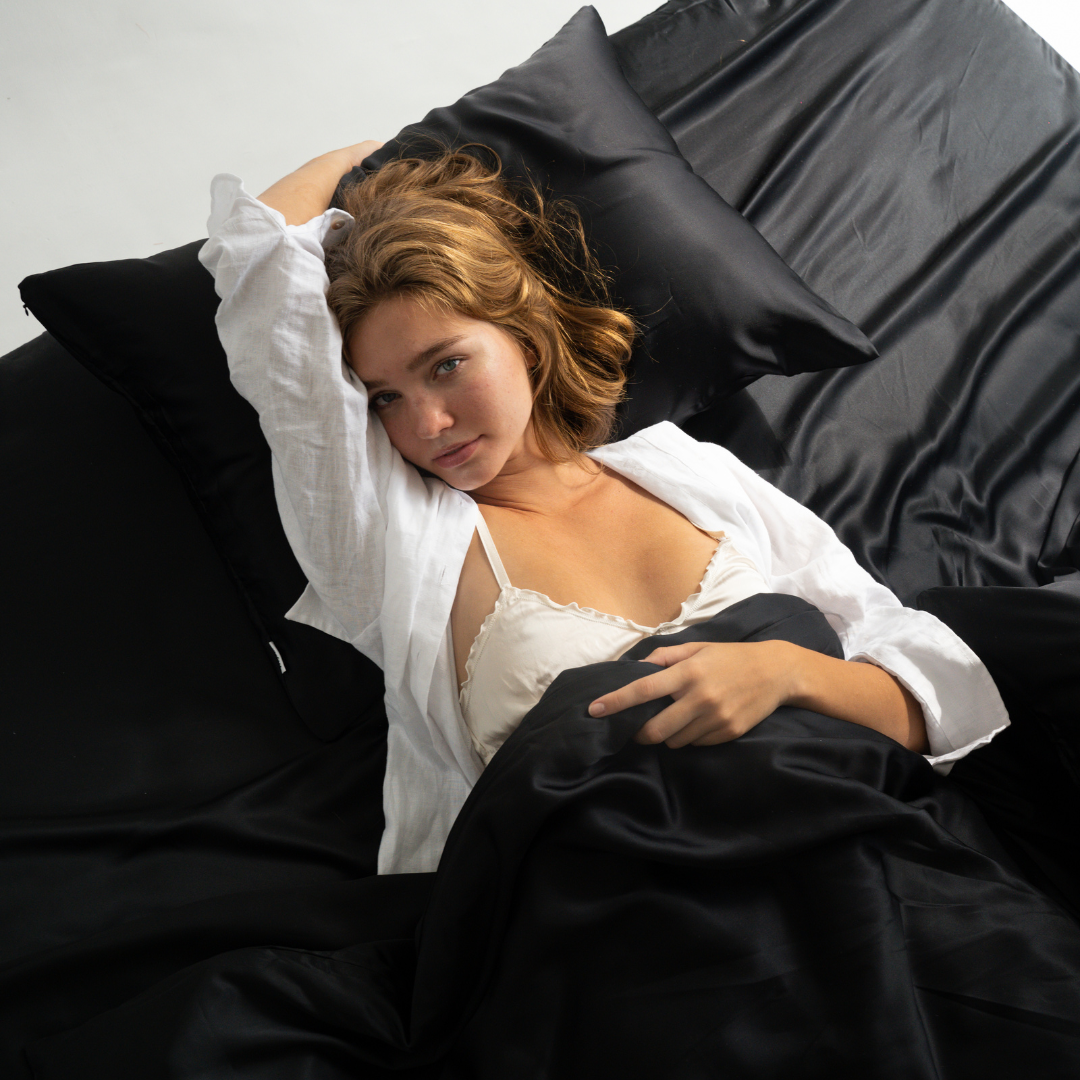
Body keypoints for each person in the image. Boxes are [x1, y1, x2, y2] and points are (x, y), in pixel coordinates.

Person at [199, 142, 1009, 875]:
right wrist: (366, 151)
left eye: (446, 366)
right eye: (384, 400)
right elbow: (260, 266)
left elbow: (928, 687)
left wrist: (789, 673)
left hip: (864, 839)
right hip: (626, 913)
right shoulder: (394, 540)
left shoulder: (685, 471)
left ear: (523, 332)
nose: (425, 424)